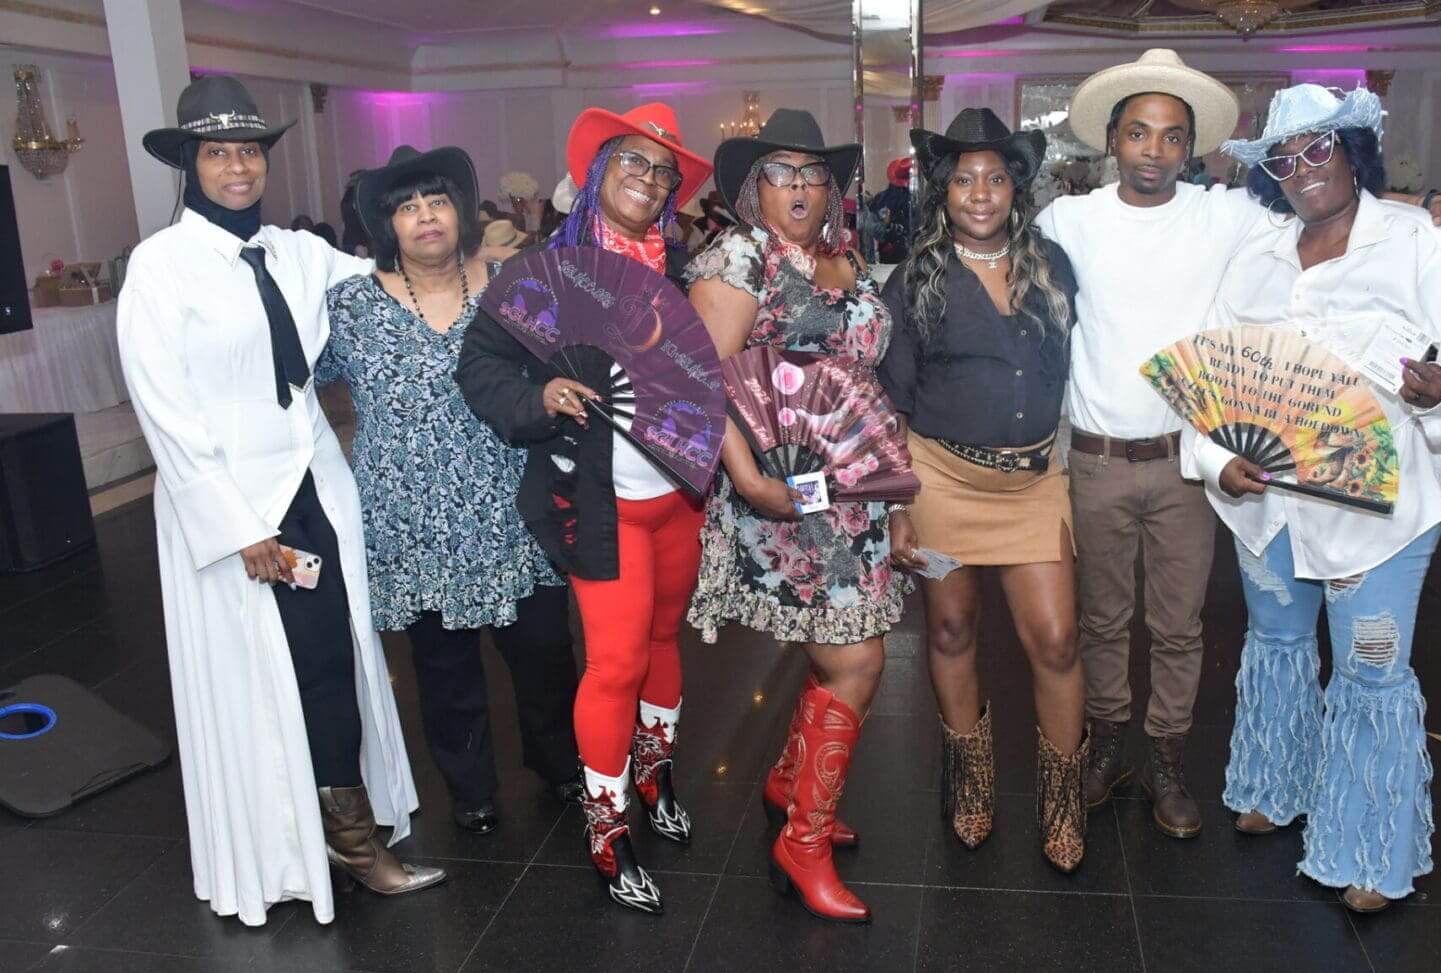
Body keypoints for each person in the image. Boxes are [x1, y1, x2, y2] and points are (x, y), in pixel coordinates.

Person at [1034, 50, 1441, 843]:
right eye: (1137, 132)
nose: (1152, 149)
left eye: (1171, 137)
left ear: (1192, 149)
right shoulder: (1068, 220)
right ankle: (1108, 745)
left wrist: (1439, 205)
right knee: (1102, 622)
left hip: (1192, 461)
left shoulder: (1230, 217)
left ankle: (1169, 761)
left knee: (1179, 628)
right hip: (1098, 458)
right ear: (1112, 140)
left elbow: (1331, 203)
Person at [116, 76, 441, 927]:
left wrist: (487, 256)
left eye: (250, 151)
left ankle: (349, 833)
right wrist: (237, 527)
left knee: (334, 662)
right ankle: (309, 844)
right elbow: (165, 409)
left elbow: (398, 277)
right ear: (188, 164)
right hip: (237, 514)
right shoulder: (160, 268)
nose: (237, 167)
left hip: (315, 494)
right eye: (218, 152)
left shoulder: (296, 253)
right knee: (267, 679)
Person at [1188, 84, 1441, 912]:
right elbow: (1216, 368)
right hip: (1268, 501)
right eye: (1287, 158)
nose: (1305, 171)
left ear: (1352, 152)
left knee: (1372, 666)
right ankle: (1277, 780)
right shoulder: (1257, 252)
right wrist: (1212, 459)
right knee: (1276, 640)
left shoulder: (1417, 239)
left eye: (1320, 149)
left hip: (1380, 507)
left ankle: (1370, 845)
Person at [458, 103, 713, 915]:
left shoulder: (684, 275)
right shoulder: (543, 273)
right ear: (600, 172)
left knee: (665, 640)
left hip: (678, 500)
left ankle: (656, 777)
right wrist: (541, 394)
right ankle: (607, 830)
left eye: (662, 172)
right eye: (633, 164)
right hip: (598, 504)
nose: (648, 181)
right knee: (614, 662)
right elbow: (481, 369)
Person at [319, 144, 583, 837]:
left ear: (460, 212)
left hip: (513, 508)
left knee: (545, 654)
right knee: (443, 671)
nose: (425, 217)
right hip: (410, 521)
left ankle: (560, 765)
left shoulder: (511, 283)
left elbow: (571, 366)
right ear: (386, 225)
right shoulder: (348, 306)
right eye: (406, 207)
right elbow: (291, 387)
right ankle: (470, 789)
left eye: (436, 202)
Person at [687, 109, 907, 923]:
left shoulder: (838, 256)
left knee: (842, 656)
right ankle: (801, 839)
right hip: (782, 493)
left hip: (846, 487)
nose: (804, 187)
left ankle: (791, 784)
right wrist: (749, 482)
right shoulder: (738, 257)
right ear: (753, 187)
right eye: (783, 172)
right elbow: (698, 386)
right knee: (858, 660)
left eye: (816, 173)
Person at [879, 109, 1087, 872]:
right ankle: (971, 788)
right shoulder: (916, 279)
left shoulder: (1055, 266)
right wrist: (899, 502)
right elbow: (891, 397)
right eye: (963, 178)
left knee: (1059, 641)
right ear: (944, 191)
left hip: (1034, 483)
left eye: (995, 177)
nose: (979, 192)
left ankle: (1063, 806)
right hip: (940, 479)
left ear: (1015, 189)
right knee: (950, 633)